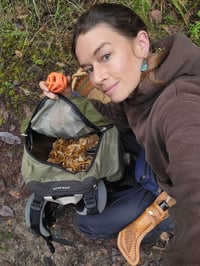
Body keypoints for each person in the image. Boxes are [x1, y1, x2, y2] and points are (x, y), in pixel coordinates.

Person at [39, 3, 200, 265]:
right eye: (89, 68)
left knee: (88, 224)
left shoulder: (180, 107)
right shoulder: (146, 73)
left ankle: (167, 221)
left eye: (105, 56)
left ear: (141, 43)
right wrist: (72, 90)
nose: (99, 77)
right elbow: (119, 116)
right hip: (155, 155)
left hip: (172, 183)